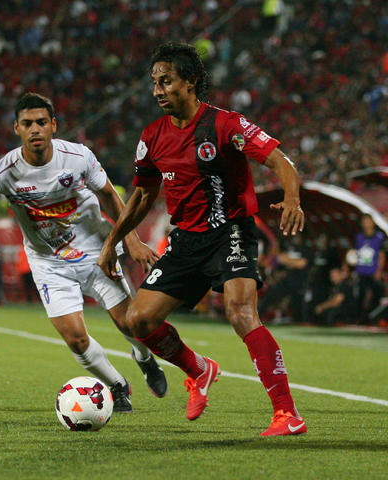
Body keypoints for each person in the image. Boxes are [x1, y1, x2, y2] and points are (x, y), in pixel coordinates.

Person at [98, 42, 306, 436]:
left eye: (167, 81)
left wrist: (292, 198)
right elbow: (142, 196)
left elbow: (280, 160)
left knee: (241, 312)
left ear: (191, 82)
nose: (158, 90)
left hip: (231, 231)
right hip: (186, 241)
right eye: (155, 82)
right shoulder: (152, 136)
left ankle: (287, 414)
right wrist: (114, 242)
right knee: (138, 320)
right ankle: (199, 370)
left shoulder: (226, 124)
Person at [0, 92, 168, 412]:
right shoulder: (3, 171)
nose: (35, 129)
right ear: (16, 129)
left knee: (130, 324)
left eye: (41, 122)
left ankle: (145, 359)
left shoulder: (78, 157)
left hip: (96, 248)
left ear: (53, 125)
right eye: (27, 124)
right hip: (49, 261)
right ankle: (118, 385)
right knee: (75, 338)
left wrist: (131, 241)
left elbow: (109, 196)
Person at [353, 214, 386, 324]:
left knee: (375, 295)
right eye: (364, 221)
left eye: (368, 220)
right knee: (360, 296)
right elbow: (354, 253)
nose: (366, 223)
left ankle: (373, 318)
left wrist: (379, 271)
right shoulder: (359, 237)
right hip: (361, 272)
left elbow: (381, 255)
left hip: (373, 272)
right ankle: (360, 319)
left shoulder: (380, 237)